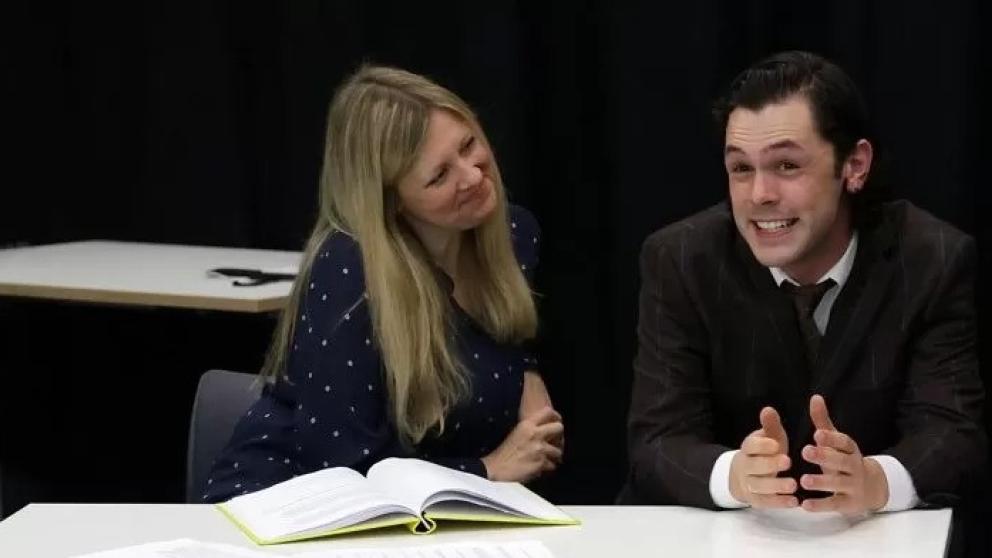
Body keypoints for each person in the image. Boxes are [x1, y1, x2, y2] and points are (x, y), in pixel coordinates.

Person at [619, 51, 986, 515]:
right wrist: (733, 475)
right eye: (741, 168)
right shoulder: (681, 259)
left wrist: (876, 480)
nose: (759, 195)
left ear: (854, 166)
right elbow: (656, 441)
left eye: (787, 166)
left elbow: (953, 435)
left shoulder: (931, 259)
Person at [201, 65, 563, 502]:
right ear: (392, 202)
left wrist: (524, 368)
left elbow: (485, 345)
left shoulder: (513, 234)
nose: (472, 176)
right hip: (293, 503)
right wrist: (487, 470)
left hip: (438, 512)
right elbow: (341, 461)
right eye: (439, 175)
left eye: (469, 144)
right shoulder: (350, 267)